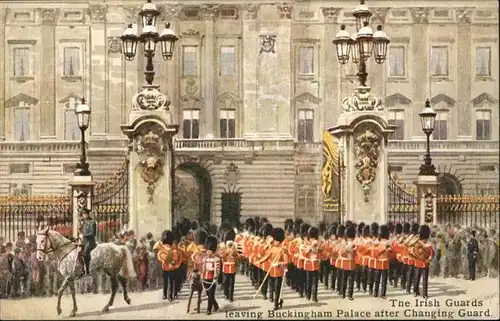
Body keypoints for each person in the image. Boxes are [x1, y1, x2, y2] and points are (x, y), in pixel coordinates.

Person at [257, 227, 288, 311]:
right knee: (272, 287)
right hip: (271, 271)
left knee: (277, 289)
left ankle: (276, 304)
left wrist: (279, 264)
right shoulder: (272, 248)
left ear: (279, 240)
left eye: (275, 240)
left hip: (279, 272)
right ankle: (279, 300)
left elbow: (286, 262)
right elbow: (266, 257)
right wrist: (259, 261)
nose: (273, 241)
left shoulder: (283, 250)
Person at [154, 230, 183, 301]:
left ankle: (170, 295)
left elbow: (175, 259)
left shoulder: (173, 250)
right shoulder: (162, 250)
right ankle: (164, 294)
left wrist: (172, 261)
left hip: (171, 267)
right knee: (165, 281)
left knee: (171, 282)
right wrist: (163, 260)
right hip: (165, 267)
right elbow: (159, 256)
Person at [199, 235, 221, 315]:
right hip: (205, 277)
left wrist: (215, 277)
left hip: (212, 278)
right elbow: (202, 268)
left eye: (210, 251)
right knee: (209, 294)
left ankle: (209, 309)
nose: (208, 252)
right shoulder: (204, 259)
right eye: (208, 251)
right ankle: (215, 305)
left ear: (213, 250)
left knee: (211, 294)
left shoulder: (216, 259)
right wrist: (201, 275)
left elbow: (217, 269)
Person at [412, 225, 434, 298]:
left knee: (425, 280)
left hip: (426, 264)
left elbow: (432, 253)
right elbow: (416, 253)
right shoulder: (417, 244)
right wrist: (424, 258)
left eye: (426, 239)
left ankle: (425, 294)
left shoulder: (428, 245)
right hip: (418, 264)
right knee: (416, 279)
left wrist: (429, 258)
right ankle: (416, 291)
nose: (425, 240)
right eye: (424, 239)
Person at [302, 226, 321, 302]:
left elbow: (321, 255)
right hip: (308, 265)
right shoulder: (306, 245)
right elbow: (303, 254)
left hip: (316, 265)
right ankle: (308, 295)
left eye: (314, 238)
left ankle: (314, 296)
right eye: (311, 238)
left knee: (315, 282)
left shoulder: (318, 245)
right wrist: (308, 250)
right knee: (308, 281)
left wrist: (318, 250)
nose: (312, 240)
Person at [220, 229, 239, 302]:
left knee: (231, 283)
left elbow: (238, 257)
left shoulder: (235, 249)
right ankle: (226, 293)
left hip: (232, 267)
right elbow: (221, 256)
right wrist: (226, 252)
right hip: (225, 267)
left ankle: (230, 296)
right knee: (225, 282)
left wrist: (235, 254)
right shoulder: (224, 248)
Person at [338, 225, 356, 300]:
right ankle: (343, 293)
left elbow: (358, 254)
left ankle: (350, 295)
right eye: (349, 238)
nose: (350, 239)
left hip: (352, 263)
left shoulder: (355, 244)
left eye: (351, 238)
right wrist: (346, 250)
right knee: (344, 280)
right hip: (345, 264)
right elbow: (341, 253)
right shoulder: (343, 244)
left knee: (351, 281)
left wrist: (353, 251)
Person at [80, 208, 97, 275]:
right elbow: (82, 231)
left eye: (85, 214)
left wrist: (84, 235)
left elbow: (93, 233)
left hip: (90, 241)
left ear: (88, 214)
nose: (84, 215)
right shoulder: (84, 222)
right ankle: (81, 269)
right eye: (83, 214)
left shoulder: (92, 222)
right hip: (84, 241)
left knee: (85, 252)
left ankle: (87, 270)